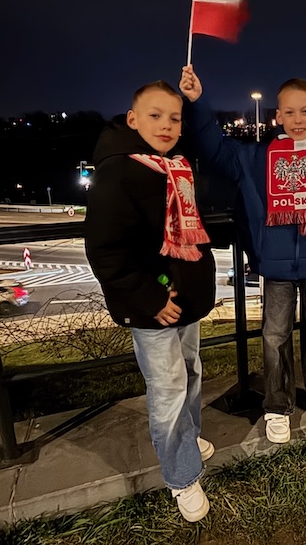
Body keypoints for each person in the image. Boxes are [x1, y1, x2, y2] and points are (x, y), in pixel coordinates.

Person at [179, 65, 306, 444]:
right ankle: (277, 406)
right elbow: (213, 148)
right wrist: (198, 102)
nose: (298, 120)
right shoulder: (256, 158)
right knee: (274, 337)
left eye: (305, 111)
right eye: (290, 112)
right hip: (276, 267)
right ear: (277, 116)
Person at [84, 80, 217, 522]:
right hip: (153, 306)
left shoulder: (175, 166)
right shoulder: (118, 172)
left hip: (186, 297)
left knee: (191, 372)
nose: (166, 125)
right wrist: (151, 298)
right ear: (132, 119)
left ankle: (188, 438)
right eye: (155, 116)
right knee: (169, 389)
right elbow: (106, 251)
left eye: (174, 118)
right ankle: (182, 476)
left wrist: (197, 101)